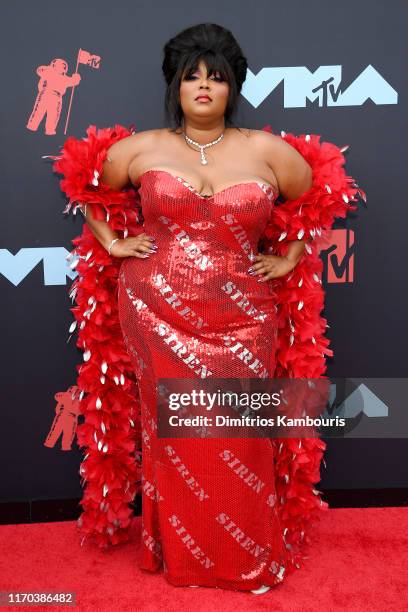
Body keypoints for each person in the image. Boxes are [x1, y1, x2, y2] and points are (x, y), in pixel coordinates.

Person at [47, 23, 366, 594]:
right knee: (177, 436)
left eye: (215, 77)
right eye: (190, 75)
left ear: (232, 87)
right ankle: (183, 557)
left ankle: (246, 558)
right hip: (155, 313)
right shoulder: (142, 148)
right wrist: (114, 243)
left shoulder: (267, 152)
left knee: (238, 434)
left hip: (242, 318)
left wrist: (291, 256)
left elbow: (320, 194)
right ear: (174, 83)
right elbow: (85, 183)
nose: (202, 86)